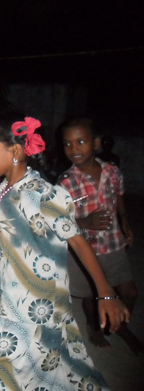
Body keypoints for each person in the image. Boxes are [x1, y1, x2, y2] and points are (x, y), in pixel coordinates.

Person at [0, 113, 128, 391]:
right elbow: (1, 244)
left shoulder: (43, 194)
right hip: (15, 300)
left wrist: (106, 293)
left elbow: (78, 240)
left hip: (42, 304)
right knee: (55, 371)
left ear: (15, 151)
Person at [58, 117, 141, 353]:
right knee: (90, 295)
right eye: (67, 143)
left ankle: (118, 325)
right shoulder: (65, 182)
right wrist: (86, 221)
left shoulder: (112, 172)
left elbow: (119, 196)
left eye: (80, 141)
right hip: (84, 249)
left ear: (96, 143)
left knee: (130, 292)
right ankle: (94, 326)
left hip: (113, 243)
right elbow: (60, 221)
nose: (73, 149)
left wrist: (124, 220)